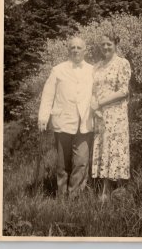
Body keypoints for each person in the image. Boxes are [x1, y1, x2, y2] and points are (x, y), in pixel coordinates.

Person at [38, 37, 93, 198]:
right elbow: (48, 94)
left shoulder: (92, 70)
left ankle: (74, 197)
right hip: (63, 121)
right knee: (63, 164)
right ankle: (62, 197)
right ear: (68, 50)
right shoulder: (58, 70)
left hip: (84, 122)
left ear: (85, 50)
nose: (75, 50)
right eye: (72, 47)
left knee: (81, 161)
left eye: (79, 47)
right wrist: (43, 117)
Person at [90, 33, 131, 202]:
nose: (105, 47)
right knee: (104, 149)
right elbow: (93, 90)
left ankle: (111, 192)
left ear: (115, 44)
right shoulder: (97, 66)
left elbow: (123, 91)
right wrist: (94, 104)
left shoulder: (122, 63)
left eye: (109, 44)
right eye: (103, 44)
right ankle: (107, 190)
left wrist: (100, 102)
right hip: (100, 115)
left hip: (116, 114)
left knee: (114, 149)